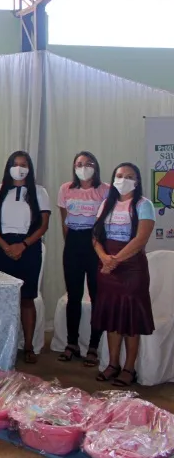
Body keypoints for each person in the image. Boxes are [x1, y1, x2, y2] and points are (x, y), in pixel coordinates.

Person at [92, 163, 156, 387]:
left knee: (130, 320)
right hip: (107, 268)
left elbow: (141, 239)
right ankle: (112, 364)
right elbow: (96, 236)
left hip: (131, 269)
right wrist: (104, 258)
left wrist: (115, 260)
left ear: (137, 181)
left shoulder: (144, 205)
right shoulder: (105, 204)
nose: (124, 180)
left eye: (130, 176)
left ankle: (129, 368)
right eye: (119, 175)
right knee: (112, 318)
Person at [0, 151, 50, 364]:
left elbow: (43, 225)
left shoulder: (39, 192)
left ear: (29, 168)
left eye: (24, 164)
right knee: (5, 298)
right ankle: (5, 345)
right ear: (8, 167)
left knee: (27, 298)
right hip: (3, 247)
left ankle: (28, 345)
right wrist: (5, 246)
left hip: (29, 247)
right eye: (15, 164)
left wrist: (23, 245)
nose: (19, 168)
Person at [56, 151, 110, 366]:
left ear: (96, 167)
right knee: (74, 296)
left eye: (89, 163)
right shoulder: (65, 189)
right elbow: (65, 222)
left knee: (97, 296)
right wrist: (71, 245)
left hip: (96, 243)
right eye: (79, 164)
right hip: (73, 244)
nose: (84, 167)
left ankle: (94, 347)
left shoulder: (105, 190)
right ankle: (72, 343)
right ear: (74, 167)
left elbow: (108, 221)